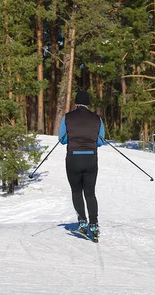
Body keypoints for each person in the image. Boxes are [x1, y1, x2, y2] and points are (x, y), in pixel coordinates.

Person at [58, 91, 106, 240]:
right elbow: (101, 141)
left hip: (73, 159)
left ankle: (83, 222)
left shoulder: (67, 117)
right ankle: (94, 224)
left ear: (76, 103)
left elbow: (62, 140)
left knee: (76, 191)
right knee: (90, 193)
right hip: (91, 159)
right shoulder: (97, 119)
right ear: (88, 103)